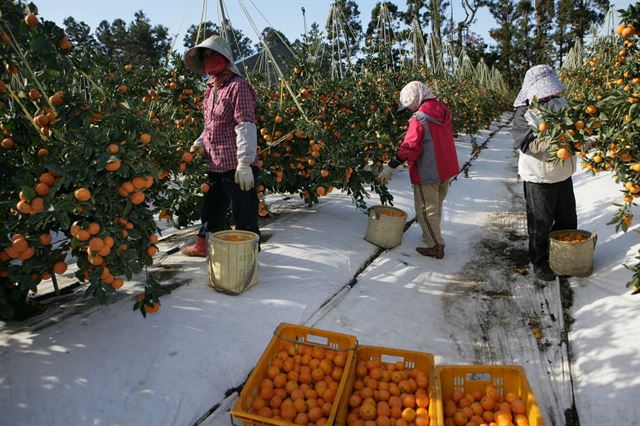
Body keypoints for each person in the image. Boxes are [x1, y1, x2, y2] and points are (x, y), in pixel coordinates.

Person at [181, 35, 260, 257]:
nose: (208, 59)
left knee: (244, 212)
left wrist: (245, 162)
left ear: (224, 57)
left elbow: (245, 124)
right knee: (212, 207)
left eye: (212, 54)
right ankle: (203, 245)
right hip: (215, 162)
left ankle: (247, 255)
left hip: (236, 164)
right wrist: (200, 142)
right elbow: (211, 124)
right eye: (205, 56)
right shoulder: (210, 89)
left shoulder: (238, 86)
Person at [378, 81, 459, 259]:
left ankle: (436, 246)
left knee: (425, 210)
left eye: (409, 104)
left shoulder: (420, 118)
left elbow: (410, 146)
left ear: (416, 98)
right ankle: (430, 233)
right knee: (436, 204)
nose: (409, 109)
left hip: (429, 169)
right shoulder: (442, 110)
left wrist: (390, 166)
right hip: (446, 167)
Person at [512, 64, 576, 281]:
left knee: (568, 222)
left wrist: (583, 139)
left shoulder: (562, 104)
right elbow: (527, 145)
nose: (550, 95)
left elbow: (576, 130)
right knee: (540, 224)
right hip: (538, 178)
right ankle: (539, 262)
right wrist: (558, 139)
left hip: (563, 174)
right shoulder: (524, 114)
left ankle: (564, 257)